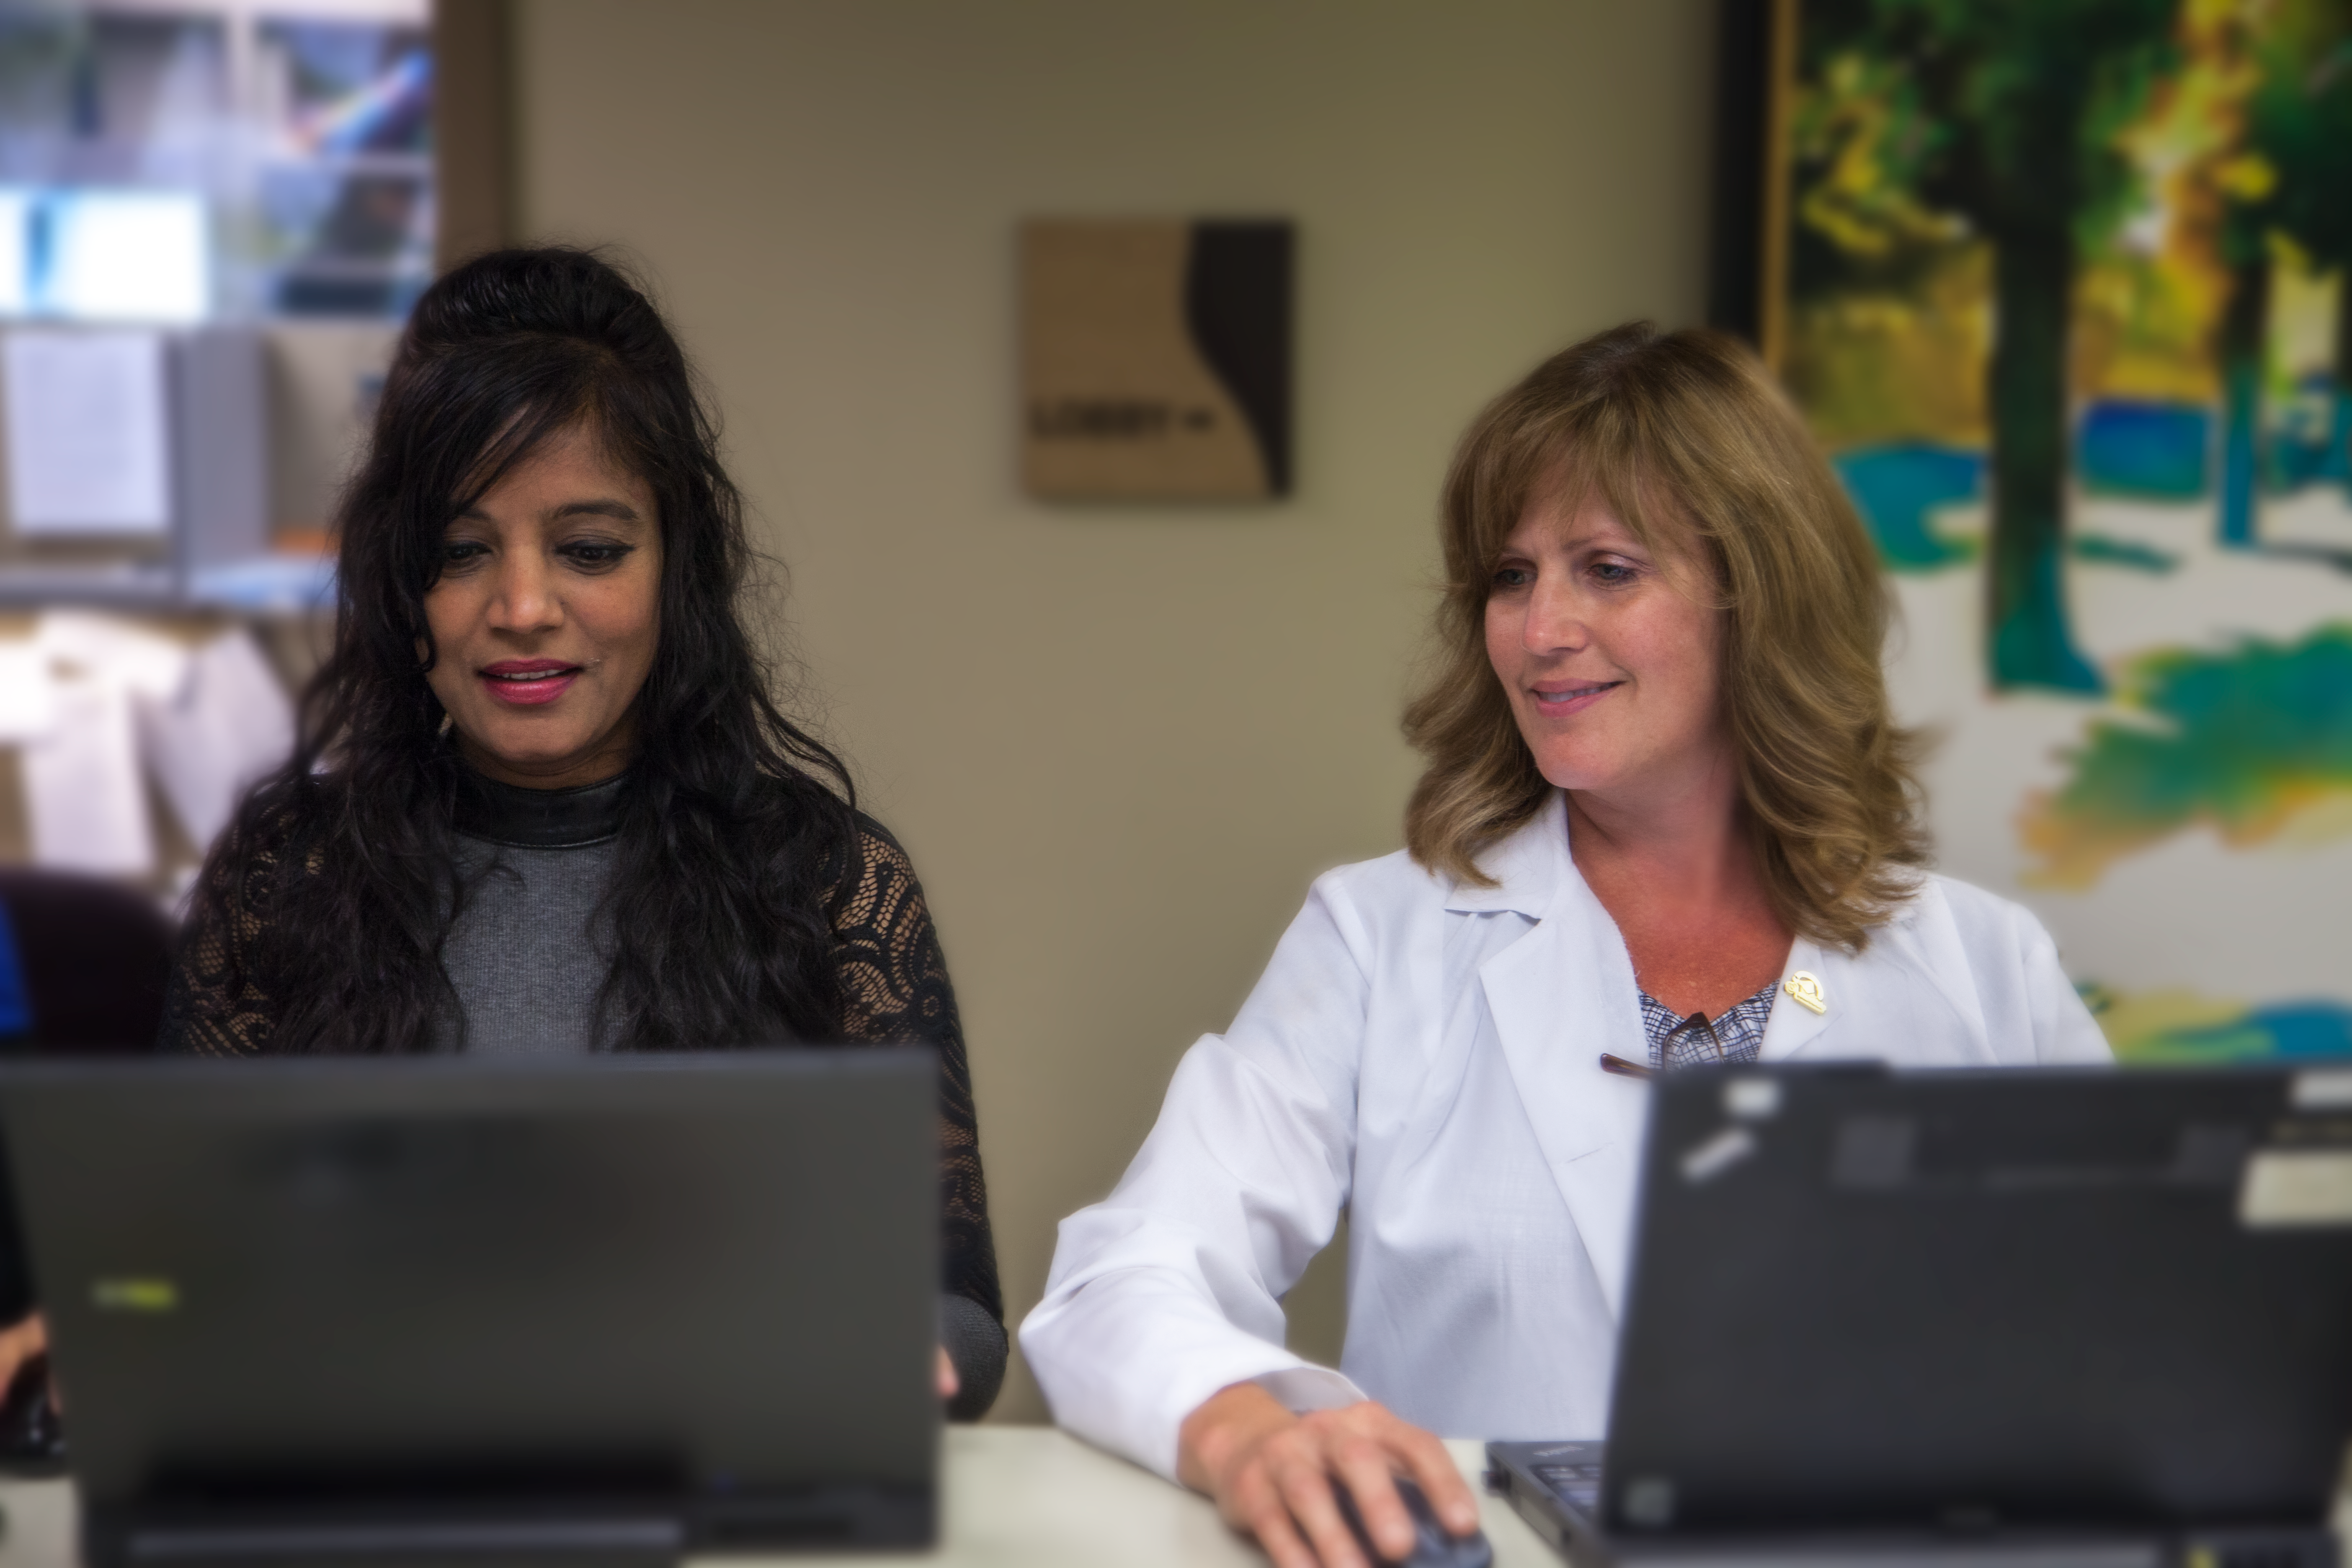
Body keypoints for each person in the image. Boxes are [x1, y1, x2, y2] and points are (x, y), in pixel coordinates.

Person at [1019, 323, 2112, 1568]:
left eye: (1605, 569)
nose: (1540, 630)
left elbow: (2138, 1336)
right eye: (1510, 576)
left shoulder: (1983, 968)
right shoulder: (1382, 938)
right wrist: (1247, 1430)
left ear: (1758, 596)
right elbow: (1124, 1276)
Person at [145, 247, 1006, 1418]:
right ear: (406, 590)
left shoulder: (827, 882)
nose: (522, 608)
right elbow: (154, 1279)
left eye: (590, 549)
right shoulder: (285, 876)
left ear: (675, 572)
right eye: (461, 553)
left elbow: (957, 1307)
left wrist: (877, 1344)